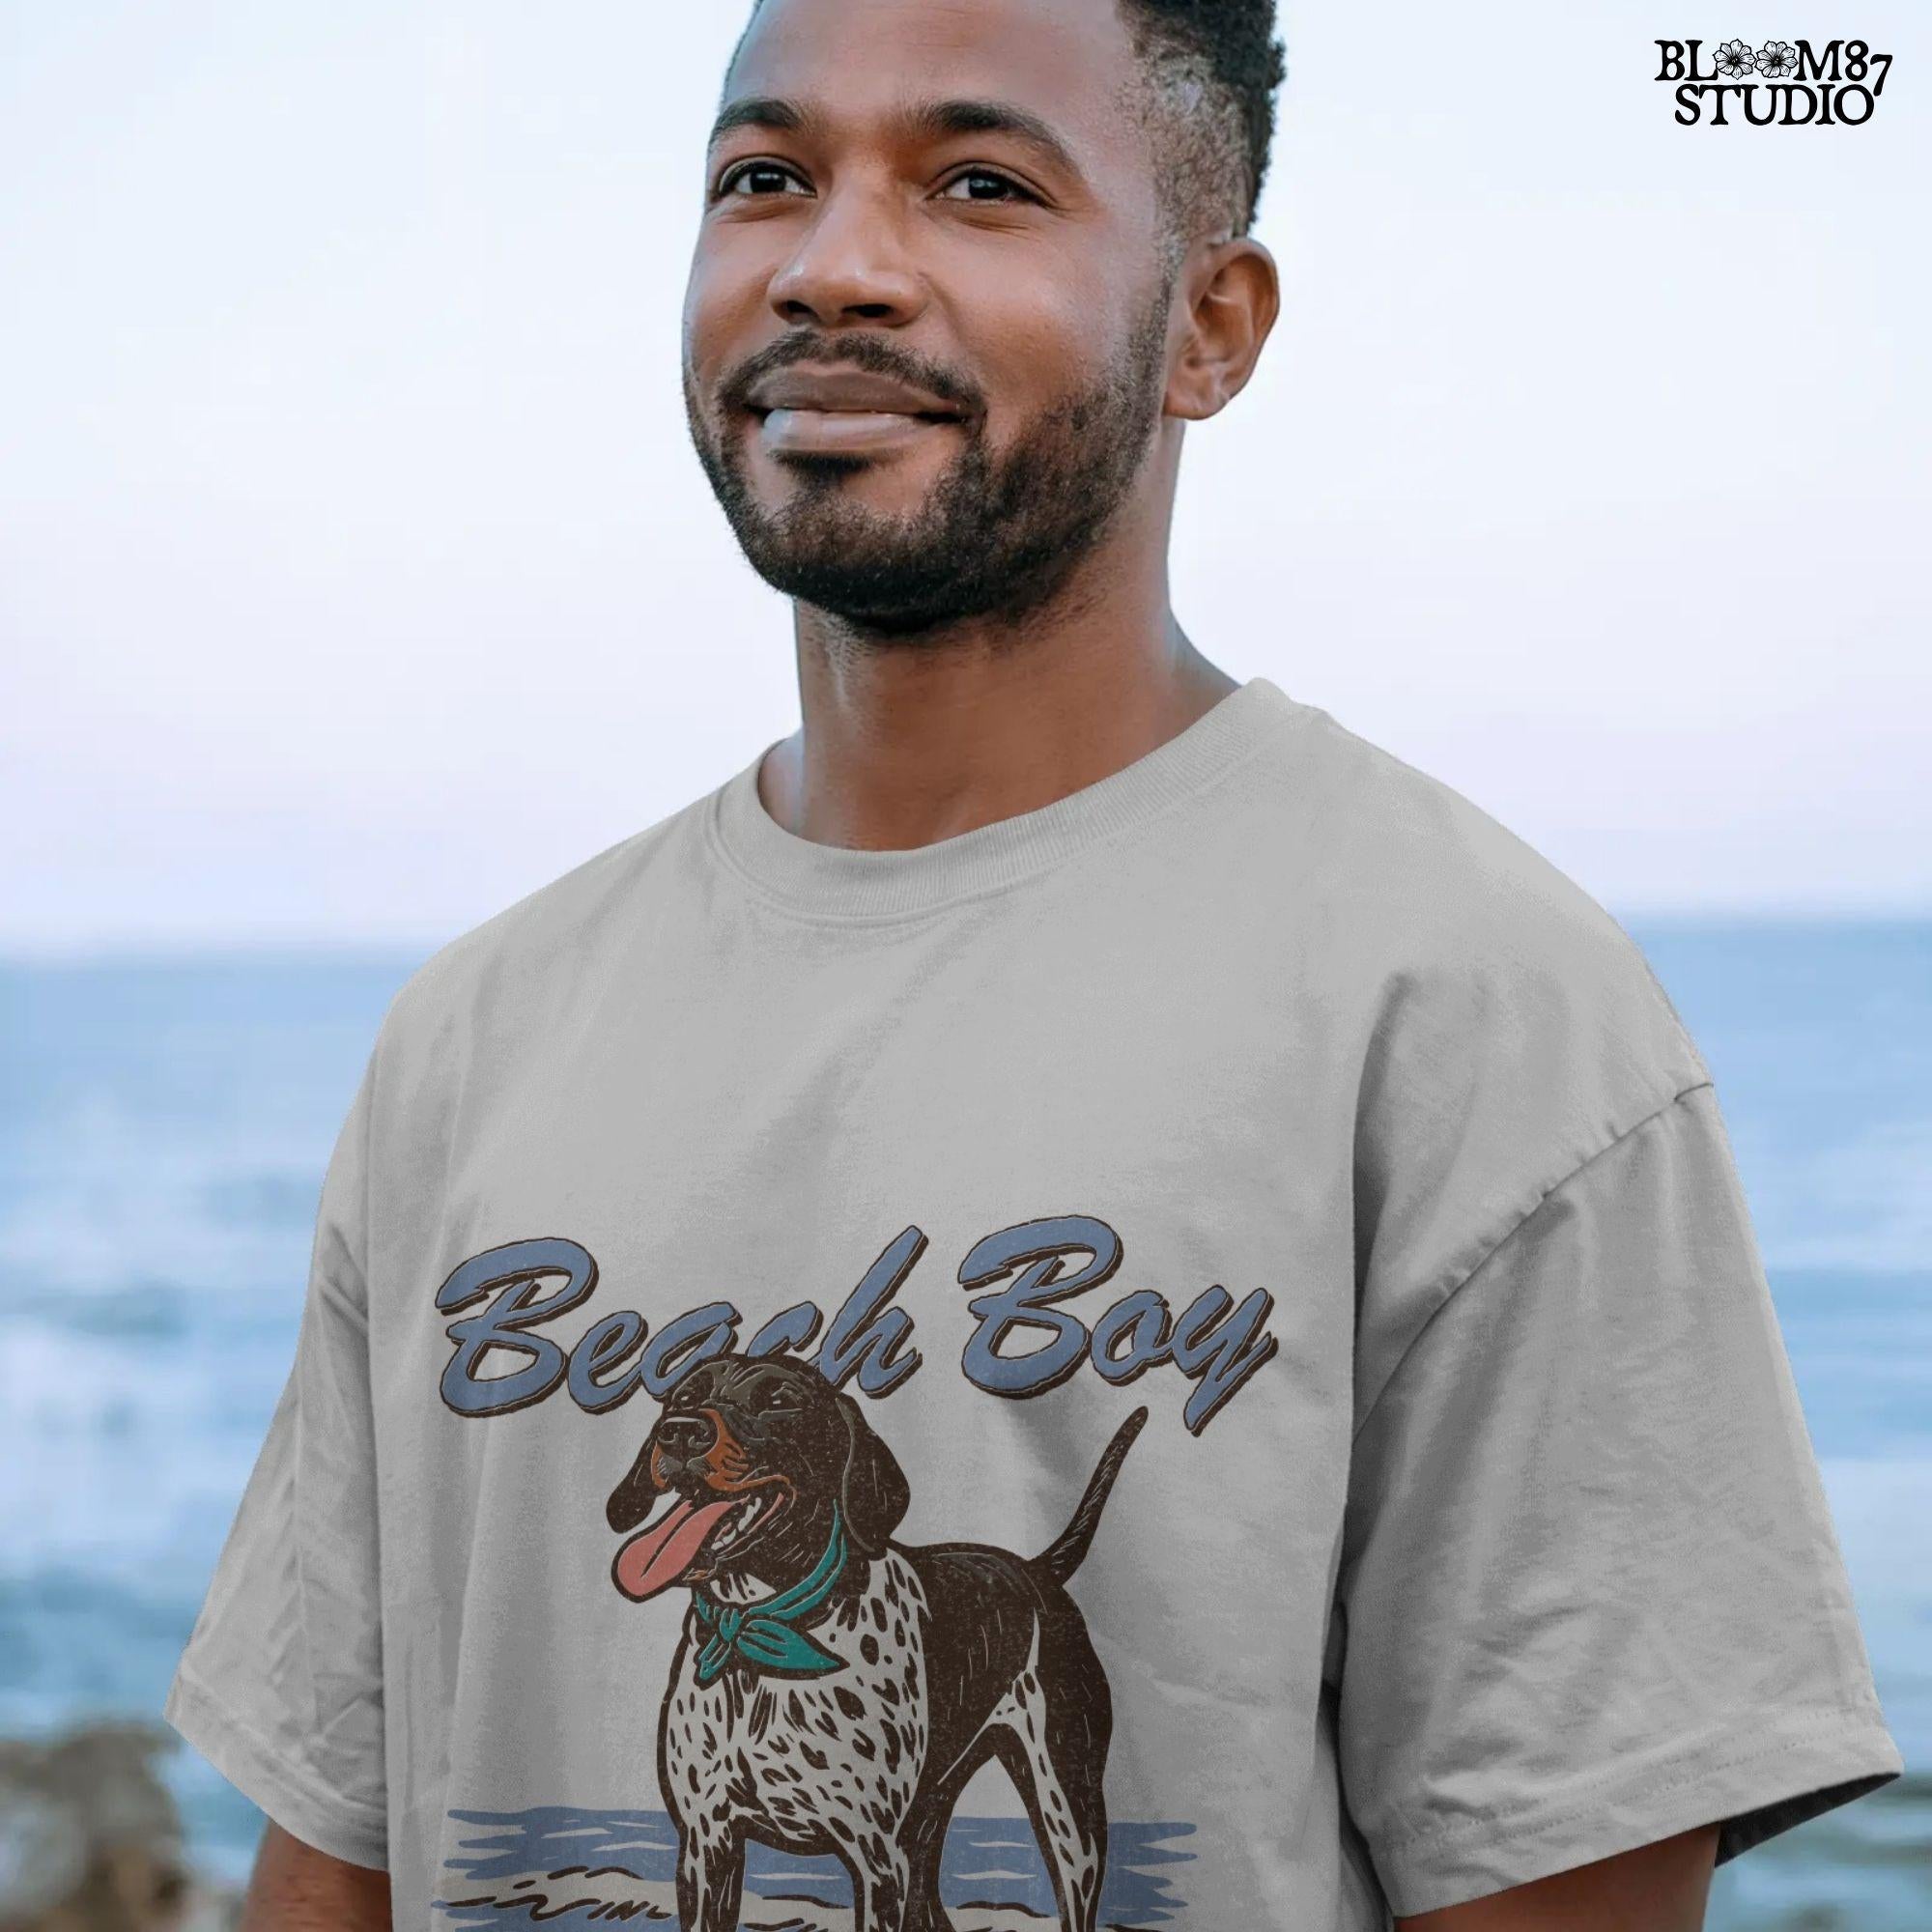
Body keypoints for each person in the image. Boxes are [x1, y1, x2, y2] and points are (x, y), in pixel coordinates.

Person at [161, 0, 1905, 1926]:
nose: (830, 265)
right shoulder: (469, 1040)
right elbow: (336, 1857)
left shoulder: (1474, 1009)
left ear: (1209, 327)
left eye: (978, 184)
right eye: (765, 179)